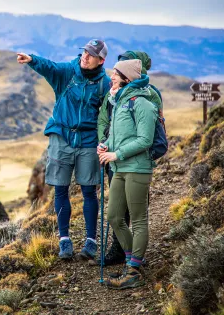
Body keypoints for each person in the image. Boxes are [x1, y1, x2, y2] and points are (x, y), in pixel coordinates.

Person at [17, 39, 111, 261]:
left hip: (89, 140)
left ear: (101, 60)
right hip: (62, 137)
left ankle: (91, 241)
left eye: (90, 55)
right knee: (60, 189)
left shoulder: (104, 83)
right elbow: (50, 67)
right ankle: (64, 240)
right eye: (84, 52)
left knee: (89, 191)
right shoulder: (68, 72)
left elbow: (109, 113)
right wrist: (32, 60)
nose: (85, 57)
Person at [97, 59, 157, 289]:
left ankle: (133, 271)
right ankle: (133, 259)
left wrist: (116, 154)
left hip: (137, 168)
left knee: (139, 219)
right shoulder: (120, 102)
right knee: (114, 217)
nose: (111, 76)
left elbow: (145, 140)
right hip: (120, 167)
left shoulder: (142, 104)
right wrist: (105, 145)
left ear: (127, 78)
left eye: (116, 73)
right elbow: (117, 136)